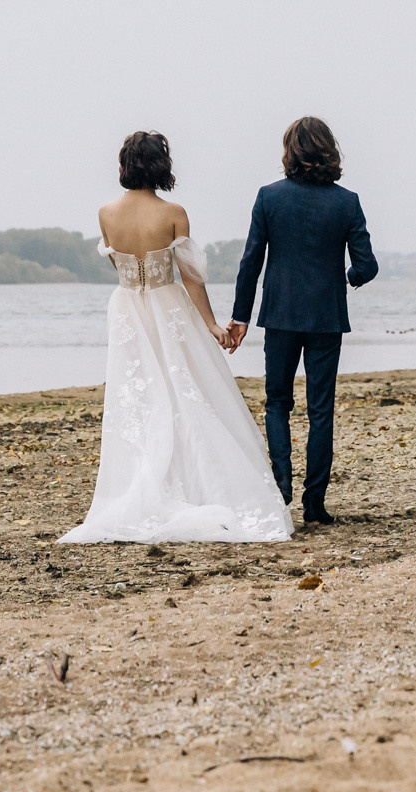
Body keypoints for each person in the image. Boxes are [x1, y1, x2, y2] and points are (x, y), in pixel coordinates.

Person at [61, 132, 292, 544]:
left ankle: (144, 485)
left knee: (140, 399)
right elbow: (191, 278)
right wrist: (213, 326)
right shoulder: (174, 212)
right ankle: (199, 482)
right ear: (160, 166)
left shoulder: (106, 213)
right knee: (187, 393)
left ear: (124, 165)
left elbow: (118, 261)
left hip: (127, 308)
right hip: (168, 307)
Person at [225, 117, 378, 526]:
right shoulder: (347, 201)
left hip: (279, 314)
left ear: (289, 152)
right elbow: (367, 266)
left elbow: (250, 262)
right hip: (327, 316)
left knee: (277, 401)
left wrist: (240, 317)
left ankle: (281, 483)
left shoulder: (269, 197)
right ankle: (315, 503)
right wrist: (347, 277)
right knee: (320, 410)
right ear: (329, 150)